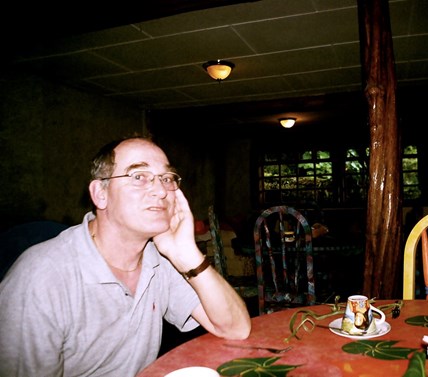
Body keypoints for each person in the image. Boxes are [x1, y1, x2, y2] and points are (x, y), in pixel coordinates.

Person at [0, 136, 251, 376]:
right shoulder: (42, 276)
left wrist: (187, 254)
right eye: (139, 176)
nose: (161, 191)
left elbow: (236, 328)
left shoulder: (159, 260)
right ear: (100, 194)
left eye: (166, 178)